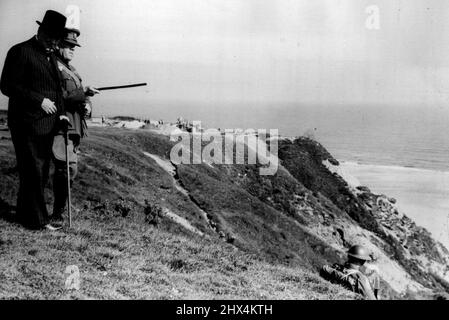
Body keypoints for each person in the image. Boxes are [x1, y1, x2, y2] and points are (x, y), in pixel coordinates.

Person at [0, 10, 68, 231]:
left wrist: (62, 113)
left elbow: (57, 89)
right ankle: (38, 222)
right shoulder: (20, 51)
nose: (53, 44)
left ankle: (24, 214)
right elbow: (8, 86)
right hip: (25, 123)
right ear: (40, 31)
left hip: (46, 125)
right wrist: (39, 101)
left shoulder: (51, 55)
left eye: (57, 41)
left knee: (39, 170)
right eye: (50, 39)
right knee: (34, 171)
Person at [51, 29, 99, 223]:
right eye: (68, 46)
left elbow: (81, 94)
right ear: (58, 45)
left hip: (75, 127)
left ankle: (60, 208)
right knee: (66, 169)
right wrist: (83, 93)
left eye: (74, 47)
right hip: (62, 126)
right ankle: (58, 213)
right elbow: (59, 96)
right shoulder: (53, 67)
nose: (72, 50)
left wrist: (87, 104)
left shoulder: (72, 69)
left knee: (70, 170)